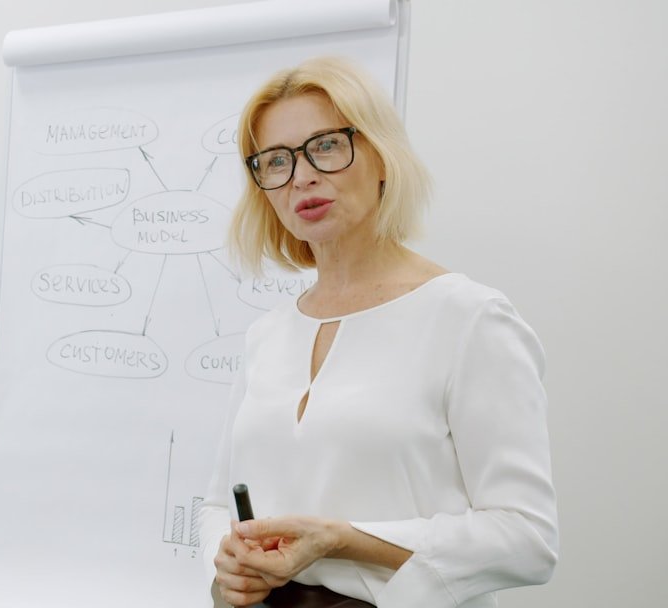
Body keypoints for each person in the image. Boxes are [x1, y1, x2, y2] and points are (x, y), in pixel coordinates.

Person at [199, 56, 559, 608]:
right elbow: (216, 506)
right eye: (276, 161)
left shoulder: (469, 319)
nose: (302, 176)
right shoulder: (266, 335)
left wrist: (344, 540)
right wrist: (226, 562)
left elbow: (528, 539)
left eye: (324, 146)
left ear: (381, 155)